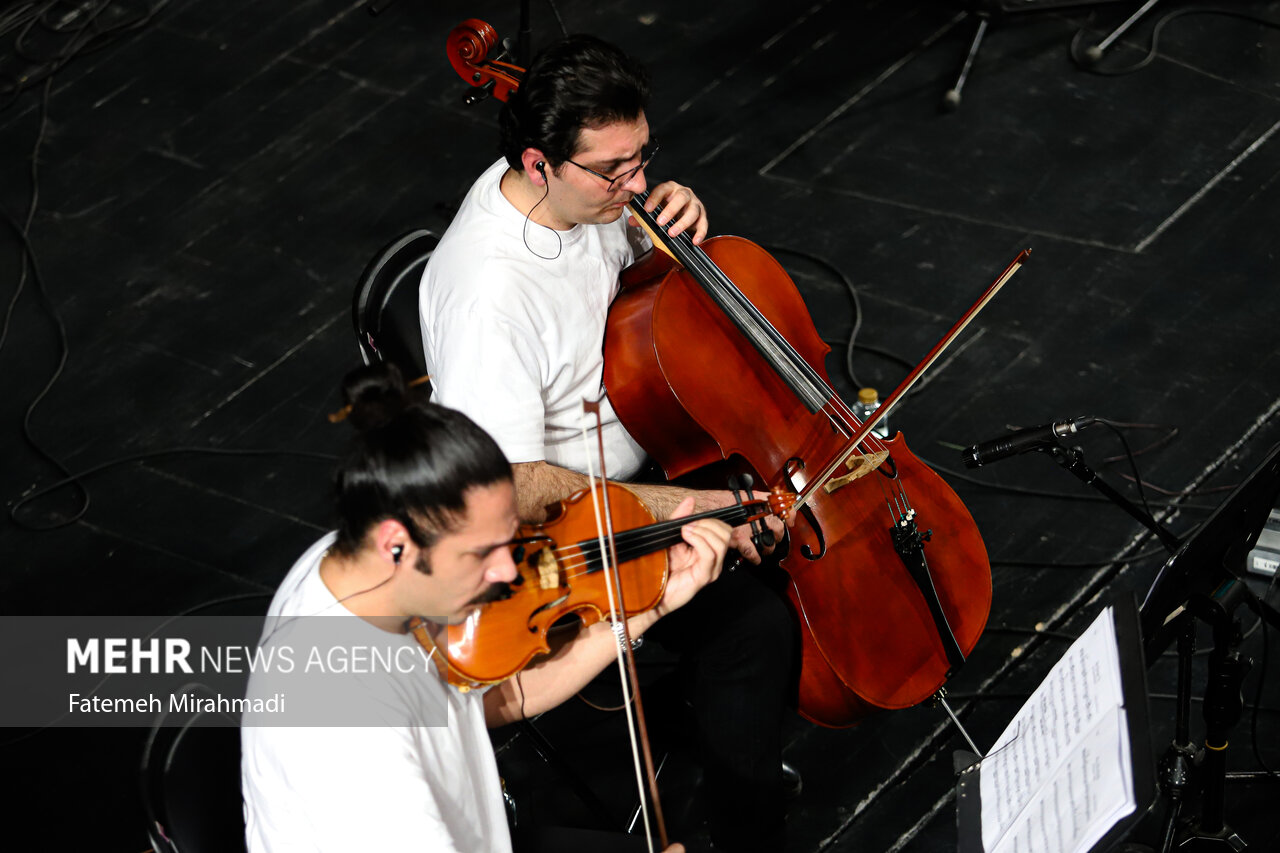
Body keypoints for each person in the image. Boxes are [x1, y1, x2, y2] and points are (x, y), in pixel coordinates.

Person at [420, 34, 796, 850]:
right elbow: (512, 484)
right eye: (614, 171)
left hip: (647, 442)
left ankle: (708, 736)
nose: (635, 185)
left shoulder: (591, 198)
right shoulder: (487, 294)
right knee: (752, 628)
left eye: (643, 159)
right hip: (568, 519)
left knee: (781, 524)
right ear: (538, 161)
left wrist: (666, 232)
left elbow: (630, 292)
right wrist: (695, 504)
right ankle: (743, 826)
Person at [240, 364, 728, 852]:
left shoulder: (360, 563)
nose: (509, 571)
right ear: (396, 544)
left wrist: (647, 609)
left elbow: (496, 698)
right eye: (481, 553)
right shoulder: (346, 736)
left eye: (508, 539)